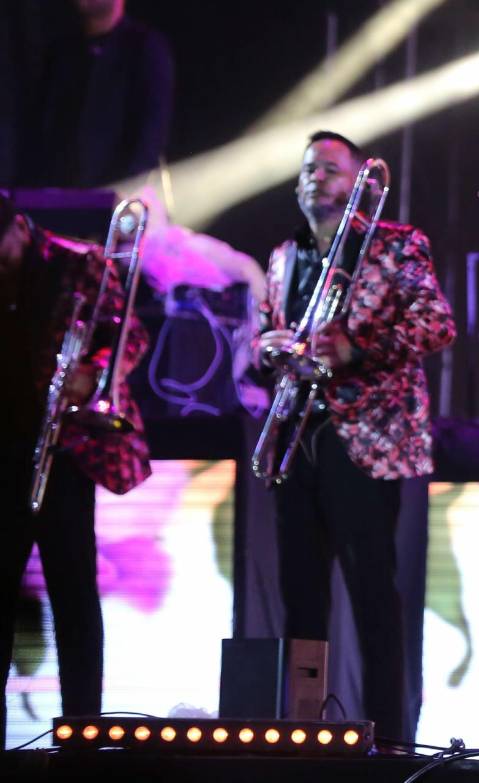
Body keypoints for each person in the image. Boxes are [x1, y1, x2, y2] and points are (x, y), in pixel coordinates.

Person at [256, 131, 454, 742]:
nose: (316, 178)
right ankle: (304, 733)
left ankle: (390, 740)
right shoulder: (283, 256)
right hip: (298, 434)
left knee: (373, 597)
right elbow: (271, 328)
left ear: (357, 182)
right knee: (301, 599)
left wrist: (357, 348)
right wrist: (268, 347)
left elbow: (437, 324)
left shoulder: (395, 244)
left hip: (365, 439)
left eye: (331, 169)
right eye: (308, 169)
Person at [0, 190, 151, 746]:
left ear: (20, 228)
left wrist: (93, 373)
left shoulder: (79, 263)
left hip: (64, 443)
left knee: (74, 593)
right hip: (6, 444)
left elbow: (128, 335)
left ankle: (82, 734)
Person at [33, 0, 174, 187]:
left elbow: (151, 133)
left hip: (120, 194)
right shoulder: (62, 52)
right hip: (62, 194)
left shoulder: (145, 47)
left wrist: (126, 188)